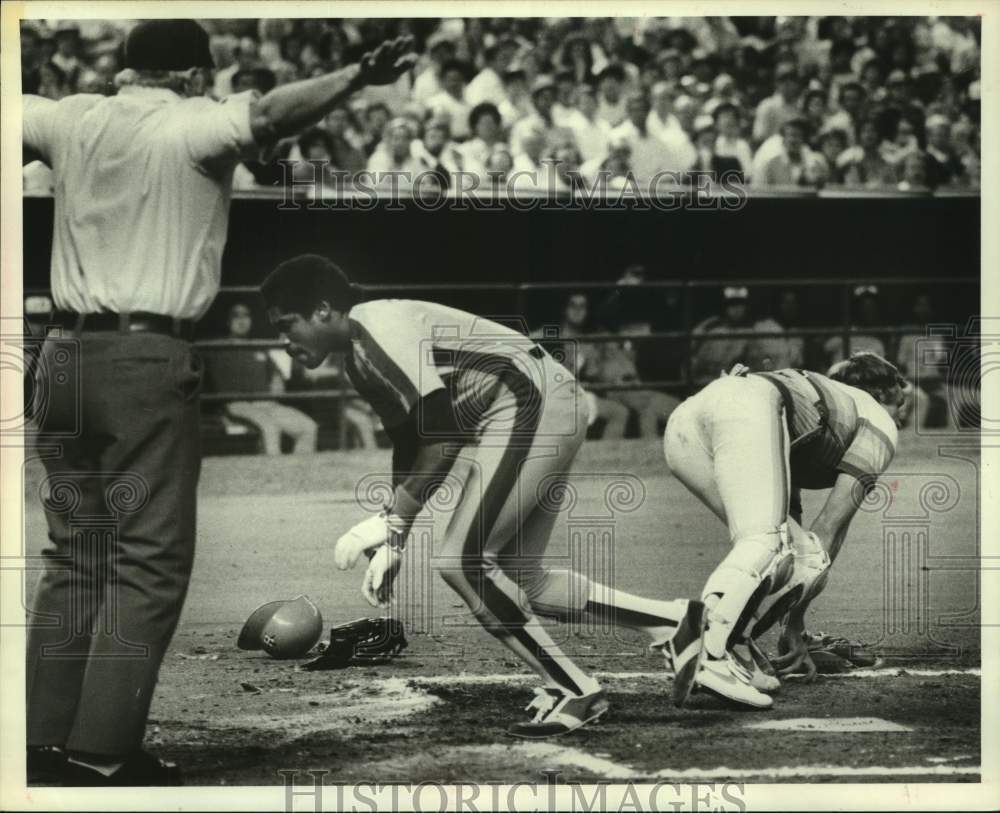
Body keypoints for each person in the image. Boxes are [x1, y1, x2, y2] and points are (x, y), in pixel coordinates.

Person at [22, 19, 416, 786]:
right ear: (195, 75)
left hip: (62, 355)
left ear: (127, 69)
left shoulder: (67, 114)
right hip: (145, 354)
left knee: (75, 555)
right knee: (148, 562)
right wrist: (356, 77)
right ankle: (101, 755)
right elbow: (267, 117)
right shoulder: (194, 120)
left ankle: (38, 743)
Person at [260, 255, 705, 737]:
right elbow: (410, 441)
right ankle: (673, 621)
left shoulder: (374, 329)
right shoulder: (359, 356)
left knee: (464, 562)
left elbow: (445, 436)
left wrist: (394, 520)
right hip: (539, 401)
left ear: (323, 310)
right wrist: (395, 539)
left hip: (530, 402)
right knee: (521, 579)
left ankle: (576, 690)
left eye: (288, 325)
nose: (284, 342)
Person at [663, 353, 906, 702]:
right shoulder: (878, 419)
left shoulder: (817, 403)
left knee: (763, 546)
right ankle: (713, 646)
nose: (903, 413)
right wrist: (792, 628)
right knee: (797, 554)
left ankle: (734, 647)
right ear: (881, 395)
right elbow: (828, 530)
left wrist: (795, 623)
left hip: (684, 425)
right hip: (745, 412)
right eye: (901, 399)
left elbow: (792, 532)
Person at [203, 303, 318, 455]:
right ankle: (270, 475)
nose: (242, 320)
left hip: (267, 404)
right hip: (238, 405)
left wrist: (277, 382)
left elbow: (277, 377)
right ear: (228, 321)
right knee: (270, 428)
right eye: (236, 316)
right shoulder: (216, 347)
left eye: (246, 316)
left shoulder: (258, 347)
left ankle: (299, 474)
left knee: (308, 427)